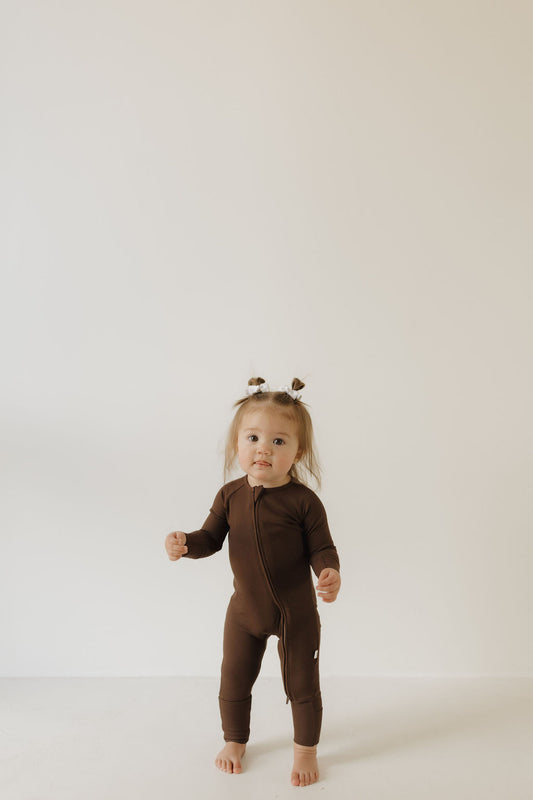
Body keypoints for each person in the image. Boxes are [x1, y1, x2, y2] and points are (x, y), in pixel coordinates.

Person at [165, 377, 341, 787]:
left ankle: (305, 750)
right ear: (237, 446)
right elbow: (209, 539)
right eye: (254, 437)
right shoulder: (229, 496)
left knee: (302, 685)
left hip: (295, 614)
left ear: (297, 453)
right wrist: (186, 543)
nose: (264, 448)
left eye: (279, 442)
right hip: (244, 613)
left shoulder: (304, 502)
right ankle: (235, 741)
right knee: (234, 679)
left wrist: (328, 572)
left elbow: (322, 548)